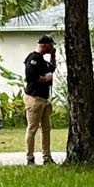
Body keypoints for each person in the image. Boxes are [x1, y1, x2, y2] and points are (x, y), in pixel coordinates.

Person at [24, 35, 57, 165]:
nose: (52, 47)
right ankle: (30, 158)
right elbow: (30, 76)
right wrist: (45, 79)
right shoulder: (32, 59)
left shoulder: (42, 60)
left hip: (44, 99)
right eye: (50, 45)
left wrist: (53, 56)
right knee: (32, 128)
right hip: (34, 98)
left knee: (46, 129)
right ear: (43, 45)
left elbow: (52, 69)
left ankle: (47, 157)